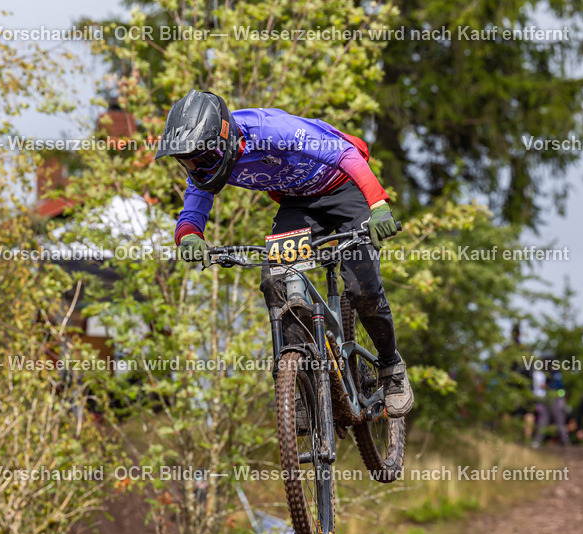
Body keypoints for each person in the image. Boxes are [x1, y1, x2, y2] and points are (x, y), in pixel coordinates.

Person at [155, 91, 413, 418]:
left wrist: (378, 206)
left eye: (199, 158)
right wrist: (190, 238)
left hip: (344, 186)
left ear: (223, 139)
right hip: (299, 202)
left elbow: (346, 154)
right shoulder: (204, 172)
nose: (195, 167)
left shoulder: (270, 131)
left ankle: (391, 367)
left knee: (363, 286)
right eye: (186, 160)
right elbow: (191, 214)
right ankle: (301, 385)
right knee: (275, 279)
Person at [532, 352, 569, 448]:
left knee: (559, 420)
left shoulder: (555, 371)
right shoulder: (545, 371)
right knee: (543, 420)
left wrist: (547, 386)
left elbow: (559, 386)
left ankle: (565, 441)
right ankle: (537, 441)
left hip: (555, 398)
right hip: (546, 398)